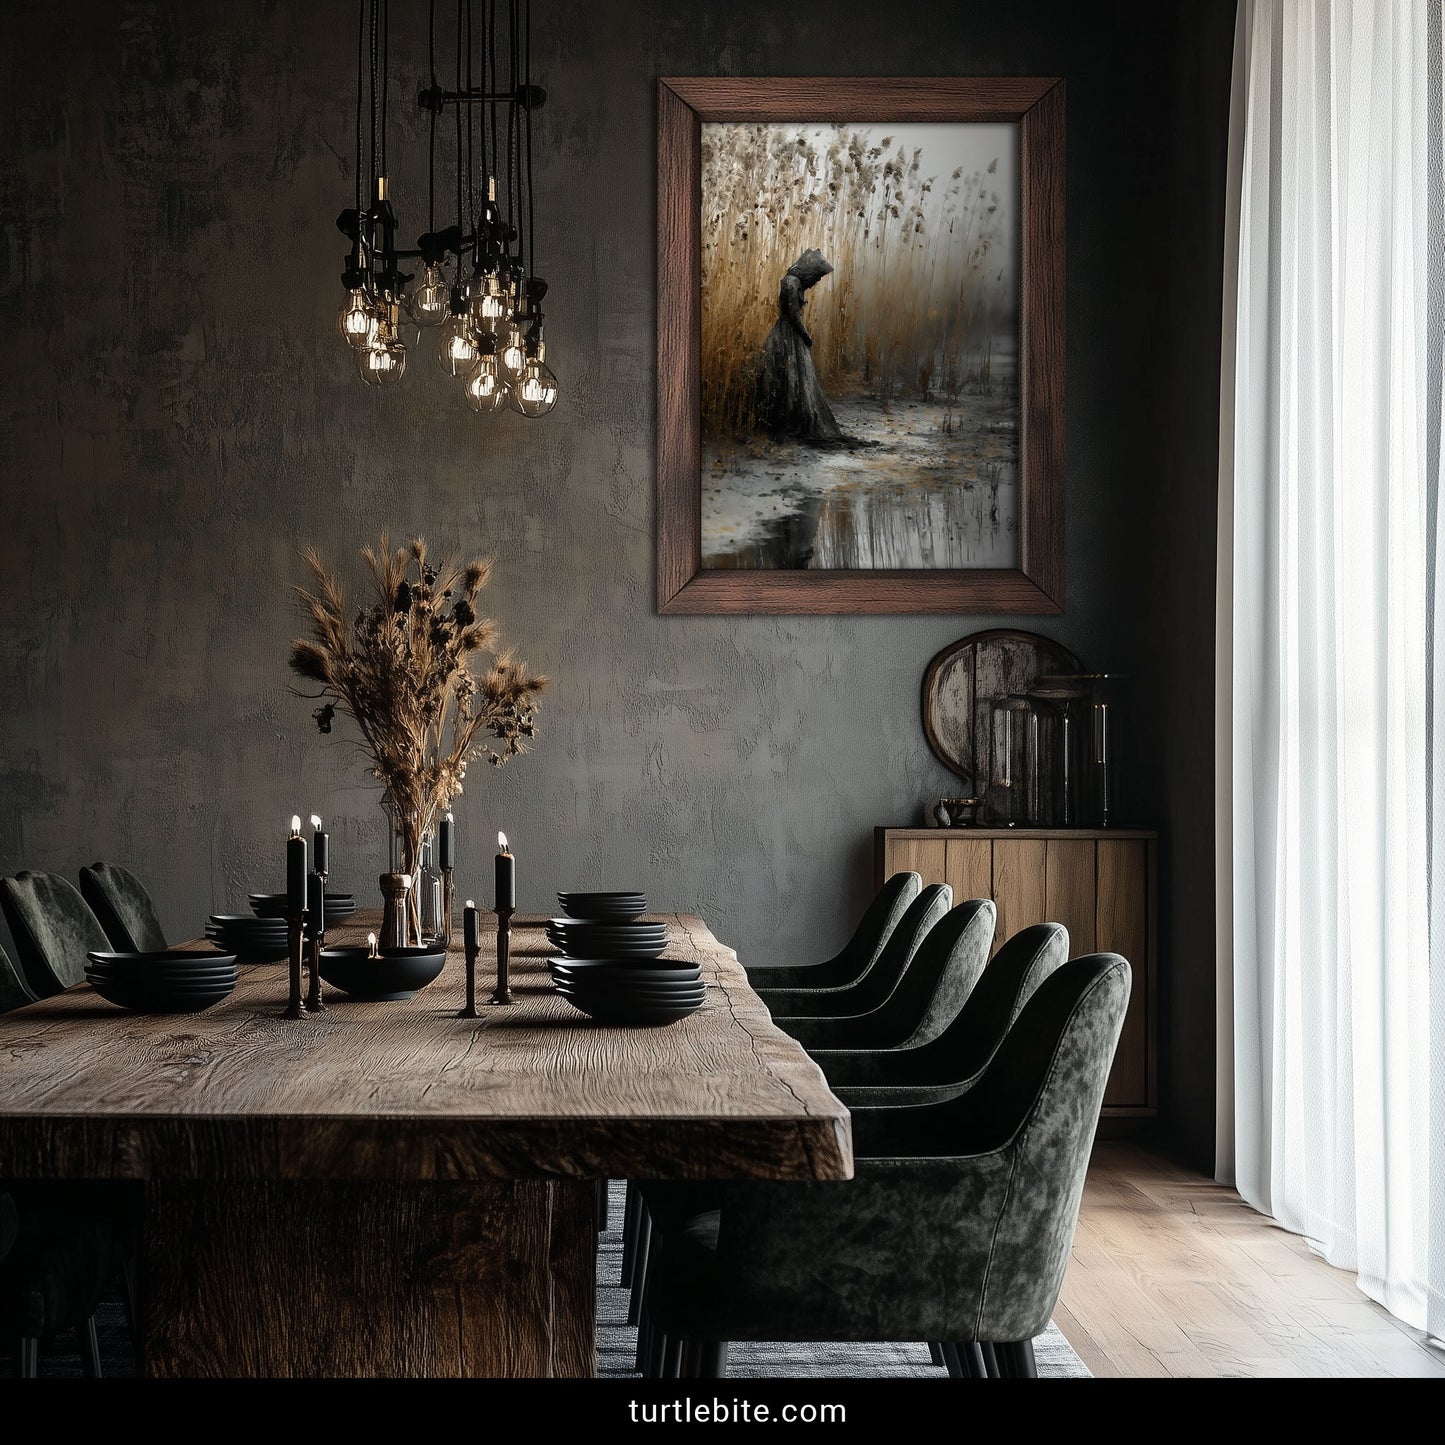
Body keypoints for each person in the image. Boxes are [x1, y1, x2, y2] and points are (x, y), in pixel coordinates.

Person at [754, 247, 844, 444]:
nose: (817, 281)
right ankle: (786, 421)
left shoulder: (791, 281)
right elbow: (794, 316)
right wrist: (806, 336)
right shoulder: (792, 283)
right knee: (789, 376)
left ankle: (785, 419)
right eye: (817, 276)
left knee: (789, 377)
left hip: (787, 333)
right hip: (788, 335)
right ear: (809, 270)